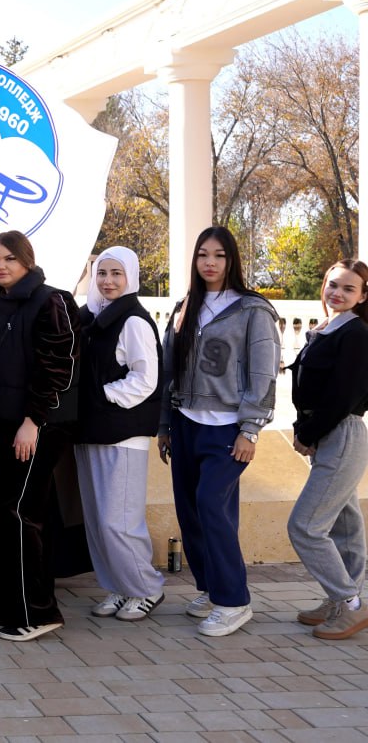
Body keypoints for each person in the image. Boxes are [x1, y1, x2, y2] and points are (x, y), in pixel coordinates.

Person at [157, 225, 280, 637]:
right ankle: (211, 588)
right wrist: (164, 424)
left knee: (212, 505)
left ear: (232, 260)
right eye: (203, 255)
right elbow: (168, 369)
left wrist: (251, 429)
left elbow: (263, 373)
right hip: (185, 422)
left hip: (228, 428)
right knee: (190, 511)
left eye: (219, 255)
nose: (210, 262)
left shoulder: (252, 310)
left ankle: (234, 601)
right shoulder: (185, 305)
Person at [0, 230, 81, 642]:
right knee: (11, 515)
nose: (0, 266)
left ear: (27, 261)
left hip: (35, 429)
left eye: (8, 259)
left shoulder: (51, 300)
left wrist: (32, 421)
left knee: (20, 515)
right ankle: (17, 607)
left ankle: (36, 613)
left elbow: (59, 367)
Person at [73, 246, 165, 622]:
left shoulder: (134, 322)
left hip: (123, 435)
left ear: (130, 277)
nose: (108, 281)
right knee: (97, 521)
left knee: (119, 520)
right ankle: (117, 585)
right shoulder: (93, 318)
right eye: (102, 273)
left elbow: (146, 378)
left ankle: (147, 588)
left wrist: (102, 396)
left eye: (116, 273)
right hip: (91, 431)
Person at [287, 259, 368, 640]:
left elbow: (341, 397)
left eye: (348, 289)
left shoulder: (355, 334)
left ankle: (350, 603)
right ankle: (341, 601)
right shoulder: (329, 327)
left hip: (341, 433)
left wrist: (307, 433)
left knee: (305, 526)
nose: (337, 292)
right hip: (330, 434)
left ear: (363, 296)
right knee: (344, 525)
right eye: (333, 285)